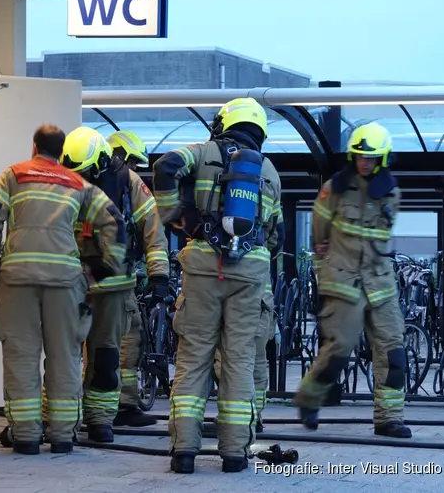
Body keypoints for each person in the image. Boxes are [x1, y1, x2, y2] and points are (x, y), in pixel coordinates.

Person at [0, 124, 127, 455]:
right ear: (61, 153)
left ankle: (27, 437)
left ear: (34, 147)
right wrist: (98, 271)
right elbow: (115, 223)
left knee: (21, 358)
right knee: (66, 358)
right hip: (65, 283)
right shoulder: (78, 183)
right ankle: (62, 437)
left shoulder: (13, 176)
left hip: (17, 281)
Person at [152, 97, 282, 474]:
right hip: (250, 273)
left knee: (193, 358)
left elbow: (166, 165)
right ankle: (235, 453)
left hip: (205, 266)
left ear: (224, 122)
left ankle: (184, 451)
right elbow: (278, 236)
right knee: (239, 359)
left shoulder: (203, 151)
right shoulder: (269, 171)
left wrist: (174, 215)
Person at [293, 122, 411, 439]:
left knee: (394, 352)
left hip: (381, 284)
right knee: (340, 348)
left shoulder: (392, 192)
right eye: (359, 156)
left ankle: (389, 418)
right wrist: (327, 274)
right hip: (344, 282)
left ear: (383, 158)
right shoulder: (334, 188)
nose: (364, 162)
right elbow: (318, 237)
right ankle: (309, 398)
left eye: (371, 157)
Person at [61, 127, 169, 441]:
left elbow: (153, 232)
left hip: (97, 285)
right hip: (88, 283)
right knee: (76, 354)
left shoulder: (126, 183)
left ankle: (96, 419)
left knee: (103, 354)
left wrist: (159, 274)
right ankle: (74, 421)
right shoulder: (74, 182)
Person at [98, 131, 171, 428]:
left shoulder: (79, 177)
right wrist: (159, 276)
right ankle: (123, 405)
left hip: (77, 278)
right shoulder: (130, 181)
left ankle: (93, 411)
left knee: (83, 346)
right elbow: (152, 229)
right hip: (117, 278)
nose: (136, 169)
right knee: (129, 338)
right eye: (135, 162)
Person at [211, 206, 284, 433]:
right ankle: (254, 415)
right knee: (257, 359)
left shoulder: (214, 175)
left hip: (219, 277)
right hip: (260, 289)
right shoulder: (270, 178)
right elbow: (279, 235)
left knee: (226, 358)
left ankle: (231, 419)